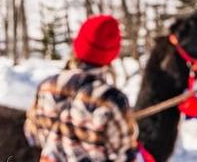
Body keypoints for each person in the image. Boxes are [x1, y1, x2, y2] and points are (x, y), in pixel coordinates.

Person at [25, 14, 137, 162]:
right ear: (112, 54)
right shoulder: (112, 100)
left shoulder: (46, 87)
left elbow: (31, 134)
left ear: (77, 44)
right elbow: (124, 154)